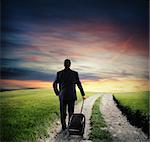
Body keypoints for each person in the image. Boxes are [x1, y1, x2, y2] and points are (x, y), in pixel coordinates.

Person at [53, 59, 86, 131]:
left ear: (64, 64)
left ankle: (64, 127)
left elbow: (54, 83)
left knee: (63, 112)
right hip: (71, 96)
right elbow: (79, 84)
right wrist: (83, 94)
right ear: (70, 64)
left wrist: (57, 93)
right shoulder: (75, 73)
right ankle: (70, 126)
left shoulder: (59, 73)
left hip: (63, 96)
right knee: (71, 112)